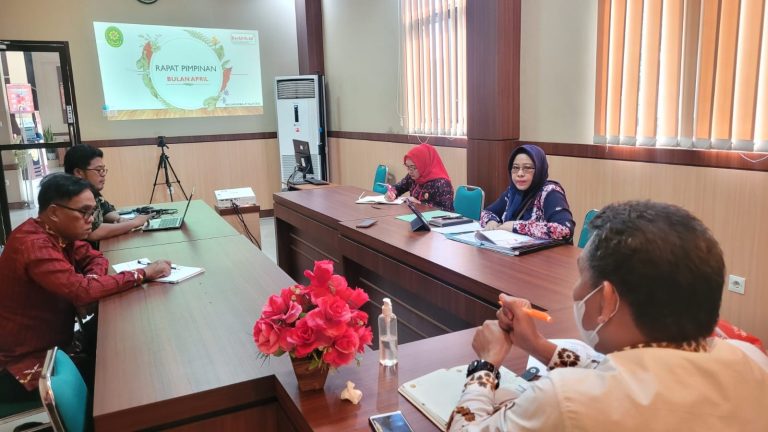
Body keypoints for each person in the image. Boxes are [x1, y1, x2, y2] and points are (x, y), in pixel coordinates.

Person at [448, 201, 768, 431]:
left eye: (580, 277)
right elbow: (626, 373)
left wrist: (485, 365)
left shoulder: (566, 400)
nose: (576, 291)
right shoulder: (751, 359)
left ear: (607, 300)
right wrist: (536, 345)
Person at [0, 174, 171, 401]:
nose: (91, 219)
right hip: (25, 364)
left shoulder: (57, 232)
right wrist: (143, 273)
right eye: (85, 212)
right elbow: (82, 291)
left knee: (123, 352)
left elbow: (95, 258)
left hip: (58, 344)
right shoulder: (33, 245)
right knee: (127, 379)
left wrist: (91, 283)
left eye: (93, 212)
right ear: (54, 212)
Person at [480, 144, 575, 240]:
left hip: (549, 249)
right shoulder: (512, 192)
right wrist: (491, 221)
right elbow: (487, 212)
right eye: (515, 168)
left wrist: (517, 227)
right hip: (512, 247)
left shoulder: (550, 192)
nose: (520, 174)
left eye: (528, 168)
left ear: (539, 168)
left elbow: (565, 229)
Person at [64, 144, 149, 246]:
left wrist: (118, 219)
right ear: (79, 172)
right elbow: (93, 232)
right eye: (98, 170)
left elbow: (106, 209)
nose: (103, 174)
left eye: (103, 169)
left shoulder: (90, 190)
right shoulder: (74, 197)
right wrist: (134, 223)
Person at [384, 143, 455, 211]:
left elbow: (447, 212)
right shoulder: (412, 177)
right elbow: (398, 187)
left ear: (424, 164)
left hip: (431, 219)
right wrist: (392, 193)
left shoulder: (442, 184)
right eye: (408, 167)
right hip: (414, 216)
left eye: (414, 167)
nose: (410, 171)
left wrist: (420, 204)